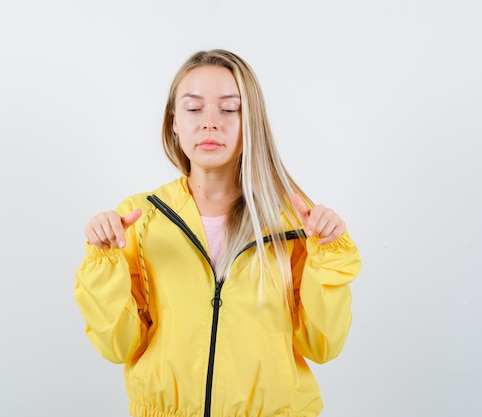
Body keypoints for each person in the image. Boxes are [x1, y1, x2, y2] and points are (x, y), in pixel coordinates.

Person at [74, 49, 362, 417]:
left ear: (251, 121)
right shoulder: (139, 219)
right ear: (174, 121)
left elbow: (323, 345)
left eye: (229, 109)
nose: (210, 123)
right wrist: (104, 261)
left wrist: (328, 254)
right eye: (194, 108)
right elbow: (119, 346)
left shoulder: (293, 223)